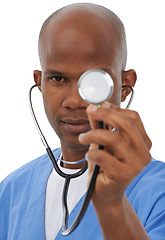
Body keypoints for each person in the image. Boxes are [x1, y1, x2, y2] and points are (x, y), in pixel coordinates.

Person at [0, 3, 165, 240]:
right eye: (58, 78)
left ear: (124, 86)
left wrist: (111, 205)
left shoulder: (158, 192)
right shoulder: (10, 191)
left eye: (95, 81)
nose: (76, 101)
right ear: (40, 83)